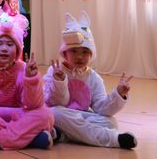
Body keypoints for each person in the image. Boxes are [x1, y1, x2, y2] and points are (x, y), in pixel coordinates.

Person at [44, 11, 136, 149]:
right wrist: (60, 82)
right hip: (61, 115)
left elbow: (101, 109)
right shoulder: (55, 71)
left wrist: (118, 94)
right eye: (74, 51)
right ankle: (113, 139)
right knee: (54, 113)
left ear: (91, 54)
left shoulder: (94, 78)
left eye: (85, 52)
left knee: (111, 123)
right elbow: (56, 103)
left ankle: (64, 135)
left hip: (80, 117)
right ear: (64, 52)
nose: (79, 57)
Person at [0, 22, 54, 150]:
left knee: (45, 114)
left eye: (10, 44)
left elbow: (33, 105)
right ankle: (29, 139)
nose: (4, 49)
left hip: (18, 116)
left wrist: (31, 78)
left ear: (18, 49)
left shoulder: (23, 68)